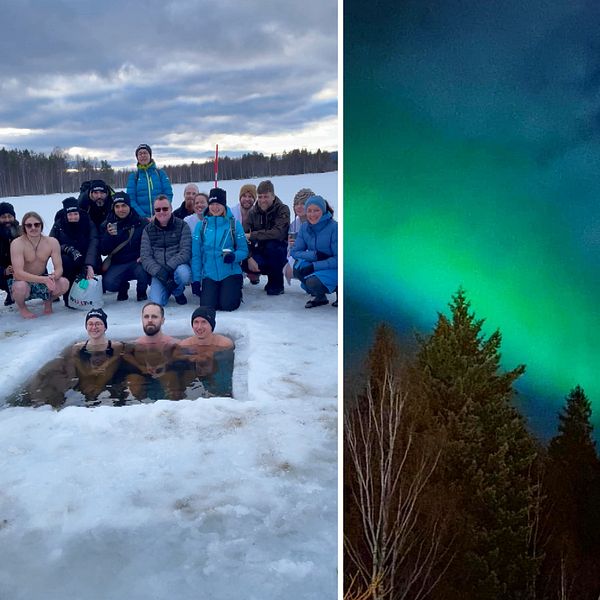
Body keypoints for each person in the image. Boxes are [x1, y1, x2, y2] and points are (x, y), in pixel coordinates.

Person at [190, 188, 248, 311]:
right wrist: (196, 280)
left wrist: (233, 256)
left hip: (230, 272)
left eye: (219, 204)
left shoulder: (234, 224)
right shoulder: (201, 226)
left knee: (228, 305)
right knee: (208, 306)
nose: (215, 207)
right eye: (212, 204)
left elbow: (244, 251)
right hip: (209, 274)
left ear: (224, 205)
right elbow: (196, 255)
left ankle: (236, 290)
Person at [9, 211, 70, 319]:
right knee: (20, 287)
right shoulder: (17, 243)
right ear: (24, 227)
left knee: (64, 283)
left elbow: (59, 268)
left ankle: (48, 302)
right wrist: (44, 280)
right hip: (23, 281)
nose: (33, 228)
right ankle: (22, 307)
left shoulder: (51, 242)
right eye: (29, 225)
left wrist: (53, 276)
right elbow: (18, 273)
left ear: (41, 225)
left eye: (36, 224)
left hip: (42, 278)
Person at [140, 195, 192, 306]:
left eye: (165, 209)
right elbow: (145, 256)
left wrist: (168, 267)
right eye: (157, 210)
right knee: (157, 303)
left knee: (184, 274)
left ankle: (177, 292)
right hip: (158, 271)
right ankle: (168, 288)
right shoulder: (148, 230)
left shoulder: (182, 225)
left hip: (177, 267)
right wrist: (159, 272)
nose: (161, 212)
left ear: (171, 208)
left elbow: (185, 251)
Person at [99, 191, 150, 302]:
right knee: (108, 283)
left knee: (144, 274)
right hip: (118, 263)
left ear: (129, 206)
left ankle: (141, 292)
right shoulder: (106, 225)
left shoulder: (141, 223)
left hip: (137, 261)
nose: (121, 209)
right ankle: (123, 286)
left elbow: (150, 243)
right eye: (117, 206)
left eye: (123, 206)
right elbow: (103, 251)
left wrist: (144, 256)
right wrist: (108, 236)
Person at [50, 196, 100, 307]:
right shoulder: (59, 225)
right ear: (65, 215)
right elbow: (51, 243)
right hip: (69, 260)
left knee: (95, 265)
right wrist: (67, 249)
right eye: (70, 215)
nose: (73, 217)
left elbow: (94, 242)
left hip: (86, 256)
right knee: (65, 261)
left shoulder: (87, 221)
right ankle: (68, 294)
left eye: (75, 214)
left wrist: (89, 264)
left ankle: (91, 293)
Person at [243, 180, 290, 295]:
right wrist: (249, 257)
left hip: (278, 252)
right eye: (260, 197)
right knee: (241, 256)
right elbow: (244, 235)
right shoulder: (253, 212)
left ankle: (276, 283)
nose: (263, 200)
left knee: (273, 245)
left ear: (273, 196)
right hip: (259, 250)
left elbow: (278, 233)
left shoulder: (282, 209)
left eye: (266, 197)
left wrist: (254, 235)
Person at [291, 195, 338, 308]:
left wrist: (314, 266)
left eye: (316, 210)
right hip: (319, 263)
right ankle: (320, 297)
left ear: (324, 210)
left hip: (335, 267)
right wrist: (314, 255)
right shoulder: (305, 228)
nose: (312, 214)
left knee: (312, 281)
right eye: (309, 211)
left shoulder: (334, 228)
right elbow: (295, 252)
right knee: (298, 268)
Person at [126, 144, 173, 220]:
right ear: (137, 157)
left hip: (161, 217)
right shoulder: (134, 176)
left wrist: (159, 213)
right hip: (141, 220)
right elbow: (131, 199)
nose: (143, 155)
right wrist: (144, 217)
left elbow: (168, 194)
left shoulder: (160, 173)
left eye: (145, 153)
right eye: (140, 154)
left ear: (150, 155)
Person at [284, 188, 314, 285]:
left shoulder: (318, 224)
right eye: (296, 204)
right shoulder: (293, 225)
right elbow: (289, 249)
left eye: (303, 203)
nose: (299, 207)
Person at [0, 202, 19, 305]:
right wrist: (4, 271)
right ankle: (10, 291)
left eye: (9, 216)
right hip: (4, 271)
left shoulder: (22, 231)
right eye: (3, 217)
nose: (7, 220)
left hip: (22, 270)